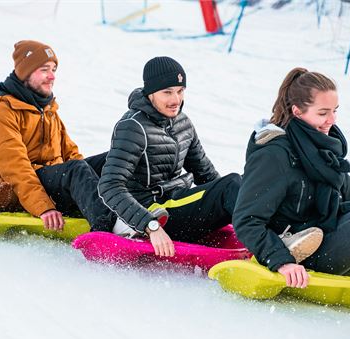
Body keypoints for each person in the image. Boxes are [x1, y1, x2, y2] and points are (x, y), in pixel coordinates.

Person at [233, 67, 350, 289]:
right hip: (306, 251)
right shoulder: (275, 155)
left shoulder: (323, 147)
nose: (331, 120)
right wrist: (282, 262)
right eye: (323, 113)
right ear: (297, 112)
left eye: (335, 111)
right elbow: (246, 220)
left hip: (331, 234)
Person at [97, 56, 242, 258]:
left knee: (242, 183)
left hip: (176, 202)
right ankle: (271, 245)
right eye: (167, 92)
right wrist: (151, 225)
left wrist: (235, 206)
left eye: (180, 91)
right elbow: (109, 186)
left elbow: (206, 175)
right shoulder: (132, 127)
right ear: (150, 93)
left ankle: (279, 233)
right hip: (154, 213)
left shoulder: (182, 123)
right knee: (232, 185)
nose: (176, 100)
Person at [0, 40, 114, 231]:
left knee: (112, 160)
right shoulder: (1, 112)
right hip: (22, 192)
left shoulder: (47, 109)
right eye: (44, 70)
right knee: (75, 170)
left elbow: (71, 154)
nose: (52, 76)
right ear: (25, 73)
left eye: (53, 70)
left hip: (57, 180)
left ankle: (134, 210)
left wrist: (90, 185)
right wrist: (43, 207)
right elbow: (15, 169)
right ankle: (108, 229)